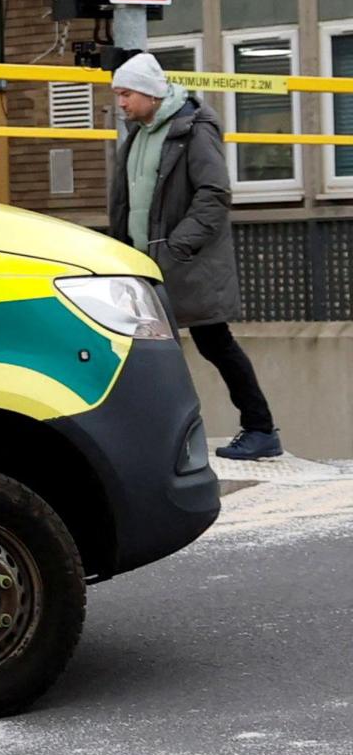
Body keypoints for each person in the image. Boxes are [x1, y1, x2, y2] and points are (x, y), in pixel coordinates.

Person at [109, 55, 281, 462]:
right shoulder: (140, 134)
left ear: (150, 93)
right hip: (144, 265)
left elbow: (214, 194)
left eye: (127, 93)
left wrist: (177, 247)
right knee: (141, 349)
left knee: (214, 344)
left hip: (183, 264)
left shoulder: (192, 130)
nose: (121, 103)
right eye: (118, 94)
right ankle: (154, 435)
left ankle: (260, 429)